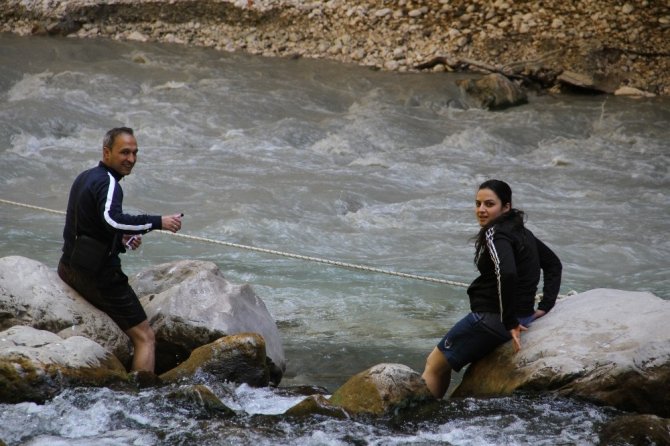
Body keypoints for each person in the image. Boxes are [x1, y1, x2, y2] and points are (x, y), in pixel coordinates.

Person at [58, 127, 183, 375]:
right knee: (145, 337)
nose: (131, 159)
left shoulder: (86, 177)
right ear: (107, 152)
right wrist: (159, 222)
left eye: (135, 153)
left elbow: (89, 224)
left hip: (68, 267)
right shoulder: (109, 183)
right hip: (98, 277)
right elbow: (112, 220)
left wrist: (121, 239)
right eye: (124, 152)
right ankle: (142, 394)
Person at [421, 179, 562, 398]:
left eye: (489, 204)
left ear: (506, 207)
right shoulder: (522, 232)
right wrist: (545, 306)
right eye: (478, 204)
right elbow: (554, 264)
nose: (481, 210)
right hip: (522, 316)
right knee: (444, 365)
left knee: (434, 365)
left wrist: (510, 322)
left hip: (493, 320)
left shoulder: (495, 234)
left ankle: (421, 416)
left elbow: (507, 273)